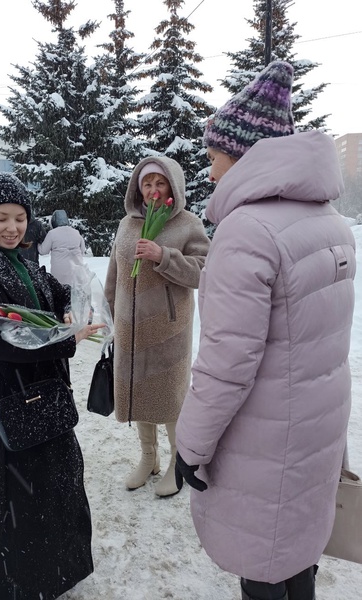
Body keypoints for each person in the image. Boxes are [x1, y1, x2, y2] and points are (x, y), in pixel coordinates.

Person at [175, 62, 356, 600]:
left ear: (245, 156)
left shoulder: (247, 231)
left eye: (213, 159)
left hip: (265, 439)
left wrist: (190, 445)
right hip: (314, 428)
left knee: (262, 564)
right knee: (296, 552)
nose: (210, 173)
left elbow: (227, 363)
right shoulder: (329, 221)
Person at [0, 172, 103, 599]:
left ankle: (57, 575)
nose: (12, 227)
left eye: (20, 218)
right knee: (18, 503)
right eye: (1, 217)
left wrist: (70, 309)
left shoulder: (26, 263)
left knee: (57, 488)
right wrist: (60, 339)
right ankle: (16, 587)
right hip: (12, 401)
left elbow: (56, 294)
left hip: (48, 397)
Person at [104, 157, 210, 497]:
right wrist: (110, 315)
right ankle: (148, 457)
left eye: (159, 183)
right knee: (138, 394)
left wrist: (163, 255)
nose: (152, 190)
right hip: (129, 330)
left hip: (167, 330)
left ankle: (178, 464)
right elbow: (115, 273)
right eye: (146, 183)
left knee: (169, 398)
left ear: (172, 187)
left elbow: (204, 271)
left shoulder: (187, 224)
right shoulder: (127, 224)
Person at [38, 209, 86, 286]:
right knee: (74, 293)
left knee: (60, 292)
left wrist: (38, 244)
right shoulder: (76, 232)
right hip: (76, 269)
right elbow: (82, 250)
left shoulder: (52, 233)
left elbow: (43, 251)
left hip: (59, 271)